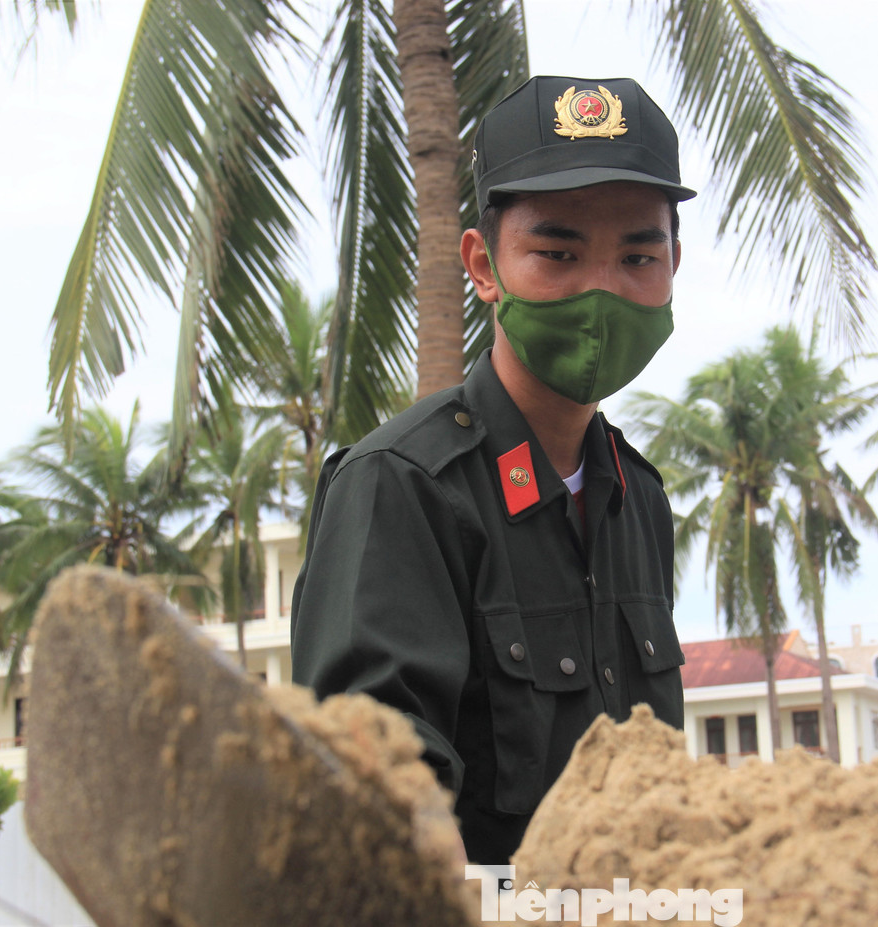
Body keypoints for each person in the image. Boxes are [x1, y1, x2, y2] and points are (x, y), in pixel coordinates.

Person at [290, 75, 695, 865]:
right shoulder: (402, 486)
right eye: (557, 252)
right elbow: (372, 820)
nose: (601, 290)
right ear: (482, 265)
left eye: (638, 255)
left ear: (674, 264)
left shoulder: (636, 496)